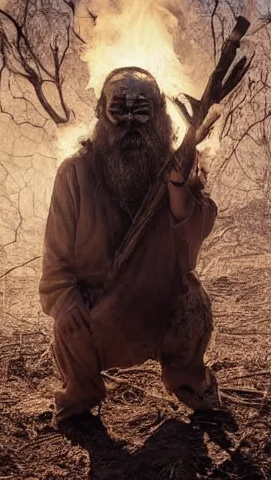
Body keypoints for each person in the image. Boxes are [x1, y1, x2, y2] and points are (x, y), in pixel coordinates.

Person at [39, 67, 219, 424]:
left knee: (192, 299)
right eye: (119, 109)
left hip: (159, 305)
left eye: (142, 110)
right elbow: (56, 262)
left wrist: (177, 188)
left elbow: (198, 226)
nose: (131, 122)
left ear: (159, 116)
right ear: (100, 114)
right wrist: (66, 300)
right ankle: (81, 390)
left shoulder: (176, 165)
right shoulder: (74, 173)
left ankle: (189, 381)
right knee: (68, 322)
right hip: (99, 307)